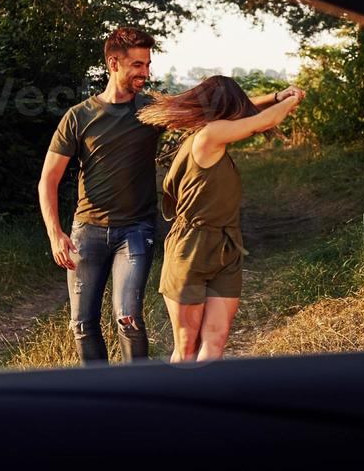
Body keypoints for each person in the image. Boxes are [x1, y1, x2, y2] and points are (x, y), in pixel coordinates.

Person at [138, 76, 305, 363]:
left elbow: (249, 114)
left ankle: (204, 402)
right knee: (187, 346)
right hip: (191, 247)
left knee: (215, 341)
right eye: (236, 107)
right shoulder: (207, 137)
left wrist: (276, 96)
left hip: (227, 246)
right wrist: (293, 99)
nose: (241, 114)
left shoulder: (212, 131)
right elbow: (260, 122)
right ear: (226, 109)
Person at [38, 27, 161, 364]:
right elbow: (48, 179)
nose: (145, 73)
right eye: (138, 65)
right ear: (113, 64)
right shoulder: (79, 116)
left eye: (147, 64)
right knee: (82, 324)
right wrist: (55, 234)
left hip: (136, 230)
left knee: (129, 319)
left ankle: (138, 400)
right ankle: (102, 396)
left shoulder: (151, 110)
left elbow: (210, 105)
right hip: (87, 232)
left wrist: (273, 100)